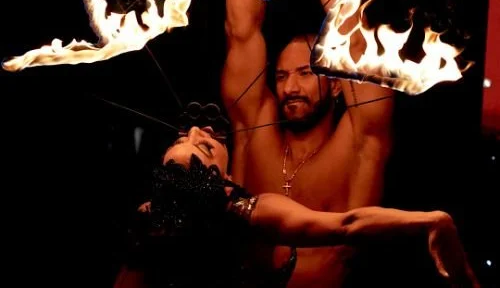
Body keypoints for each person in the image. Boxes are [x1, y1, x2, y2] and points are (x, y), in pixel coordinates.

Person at [221, 0, 395, 286]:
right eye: (282, 75)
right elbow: (241, 30)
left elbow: (348, 32)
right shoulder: (255, 132)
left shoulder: (359, 142)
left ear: (334, 83)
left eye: (305, 73)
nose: (290, 87)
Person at [114, 125, 479, 288]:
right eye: (203, 146)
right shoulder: (250, 215)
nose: (199, 129)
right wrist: (432, 221)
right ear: (221, 179)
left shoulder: (153, 219)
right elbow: (348, 225)